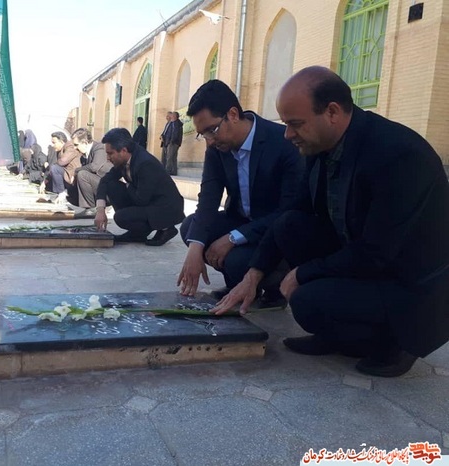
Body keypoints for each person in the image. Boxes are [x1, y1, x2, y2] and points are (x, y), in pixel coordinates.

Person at [212, 66, 449, 377]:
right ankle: (340, 333)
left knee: (307, 300)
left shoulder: (397, 155)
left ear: (332, 112)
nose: (287, 135)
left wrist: (303, 273)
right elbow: (290, 213)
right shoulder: (321, 145)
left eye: (295, 124)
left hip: (409, 286)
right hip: (365, 259)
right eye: (285, 124)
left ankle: (393, 341)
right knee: (291, 226)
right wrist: (253, 275)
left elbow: (377, 253)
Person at [178, 79, 303, 306]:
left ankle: (273, 288)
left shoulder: (282, 142)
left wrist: (232, 238)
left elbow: (288, 211)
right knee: (191, 229)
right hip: (241, 220)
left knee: (236, 260)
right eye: (203, 134)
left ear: (233, 114)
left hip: (276, 231)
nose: (209, 141)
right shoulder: (217, 148)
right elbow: (208, 198)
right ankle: (236, 284)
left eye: (212, 130)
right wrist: (195, 248)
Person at [95, 128, 185, 246]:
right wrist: (100, 210)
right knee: (111, 185)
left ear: (123, 150)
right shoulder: (123, 160)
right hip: (146, 200)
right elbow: (104, 181)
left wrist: (128, 185)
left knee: (121, 217)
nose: (108, 158)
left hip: (164, 208)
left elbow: (141, 200)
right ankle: (137, 234)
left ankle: (166, 228)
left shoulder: (145, 163)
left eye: (110, 153)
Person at [70, 128, 113, 211]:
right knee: (80, 176)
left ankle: (88, 209)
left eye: (76, 145)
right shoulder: (84, 156)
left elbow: (94, 167)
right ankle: (84, 208)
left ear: (85, 143)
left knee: (82, 175)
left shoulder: (99, 148)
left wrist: (76, 171)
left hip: (109, 188)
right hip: (99, 184)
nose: (75, 148)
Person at [165, 111, 184, 176]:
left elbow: (174, 133)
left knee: (169, 157)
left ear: (174, 116)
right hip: (175, 142)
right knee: (173, 157)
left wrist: (171, 141)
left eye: (172, 115)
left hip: (173, 143)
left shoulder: (175, 124)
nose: (170, 116)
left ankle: (168, 170)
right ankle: (174, 171)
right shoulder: (175, 123)